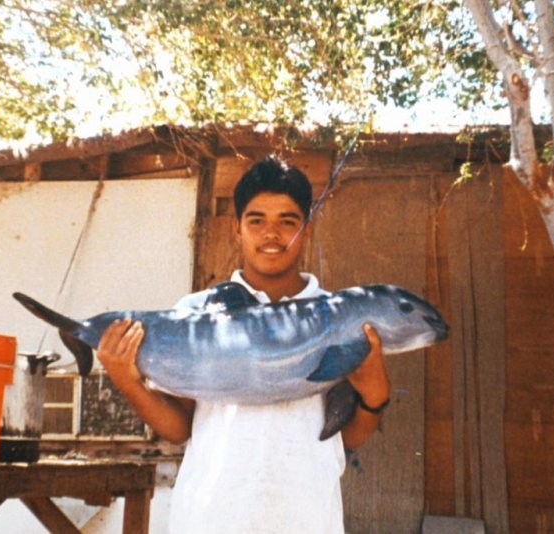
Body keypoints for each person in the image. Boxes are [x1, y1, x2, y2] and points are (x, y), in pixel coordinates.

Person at [97, 155, 391, 533]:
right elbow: (180, 428)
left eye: (288, 221)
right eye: (257, 221)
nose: (272, 234)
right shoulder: (196, 313)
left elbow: (346, 437)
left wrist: (374, 396)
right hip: (209, 518)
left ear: (307, 229)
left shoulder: (340, 317)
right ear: (236, 228)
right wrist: (128, 382)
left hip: (305, 518)